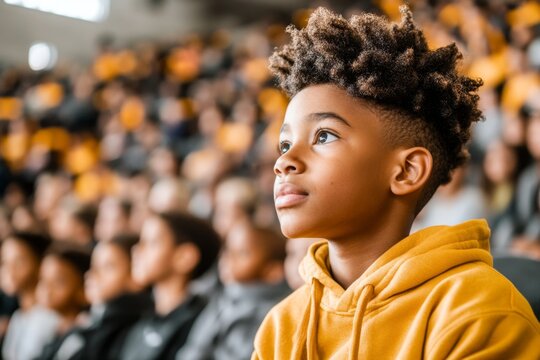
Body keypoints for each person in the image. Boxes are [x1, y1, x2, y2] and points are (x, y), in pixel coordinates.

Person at [252, 6, 540, 359]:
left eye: (323, 136)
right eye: (284, 144)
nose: (284, 162)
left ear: (406, 171)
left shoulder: (479, 310)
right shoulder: (280, 326)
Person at [176, 221, 290, 359]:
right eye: (228, 249)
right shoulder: (223, 297)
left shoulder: (266, 312)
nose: (229, 257)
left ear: (273, 271)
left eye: (242, 253)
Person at [120, 212, 221, 360]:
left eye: (151, 242)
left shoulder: (201, 323)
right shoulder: (140, 316)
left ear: (185, 257)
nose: (136, 249)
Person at [37, 234, 152, 360]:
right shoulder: (89, 321)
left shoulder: (131, 327)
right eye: (94, 265)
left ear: (135, 272)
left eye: (108, 267)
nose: (92, 274)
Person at [0, 232, 59, 360]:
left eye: (19, 261)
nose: (9, 269)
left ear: (41, 263)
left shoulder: (48, 317)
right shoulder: (19, 317)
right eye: (4, 262)